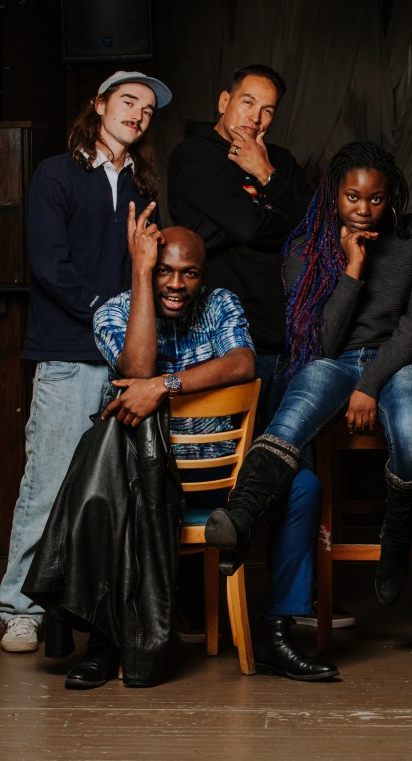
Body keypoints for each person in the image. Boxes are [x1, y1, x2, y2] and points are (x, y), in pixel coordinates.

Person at [88, 214, 335, 686]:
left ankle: (276, 633)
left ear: (203, 275)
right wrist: (140, 274)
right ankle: (109, 638)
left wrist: (166, 385)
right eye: (163, 270)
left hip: (225, 479)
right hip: (150, 482)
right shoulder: (114, 312)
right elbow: (137, 368)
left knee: (303, 485)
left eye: (189, 273)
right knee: (105, 491)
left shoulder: (220, 303)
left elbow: (243, 362)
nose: (175, 284)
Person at [204, 141, 412, 612]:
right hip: (335, 361)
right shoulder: (306, 247)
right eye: (353, 197)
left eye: (376, 198)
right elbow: (325, 343)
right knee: (290, 418)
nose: (364, 209)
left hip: (400, 363)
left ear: (390, 196)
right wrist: (354, 268)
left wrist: (369, 383)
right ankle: (241, 516)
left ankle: (395, 540)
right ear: (334, 194)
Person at [0, 70, 172, 654]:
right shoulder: (56, 174)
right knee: (49, 483)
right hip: (69, 356)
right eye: (128, 101)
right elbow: (49, 264)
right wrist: (109, 313)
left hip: (128, 363)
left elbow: (147, 272)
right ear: (99, 105)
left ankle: (104, 612)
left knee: (118, 489)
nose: (138, 114)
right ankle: (20, 609)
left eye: (147, 109)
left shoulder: (144, 185)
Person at [168, 63, 313, 426]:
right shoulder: (194, 155)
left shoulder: (280, 162)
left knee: (290, 451)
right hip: (227, 343)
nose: (256, 118)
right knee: (234, 451)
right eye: (248, 103)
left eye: (268, 110)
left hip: (288, 338)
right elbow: (249, 227)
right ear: (224, 102)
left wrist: (264, 172)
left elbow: (315, 226)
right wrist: (277, 215)